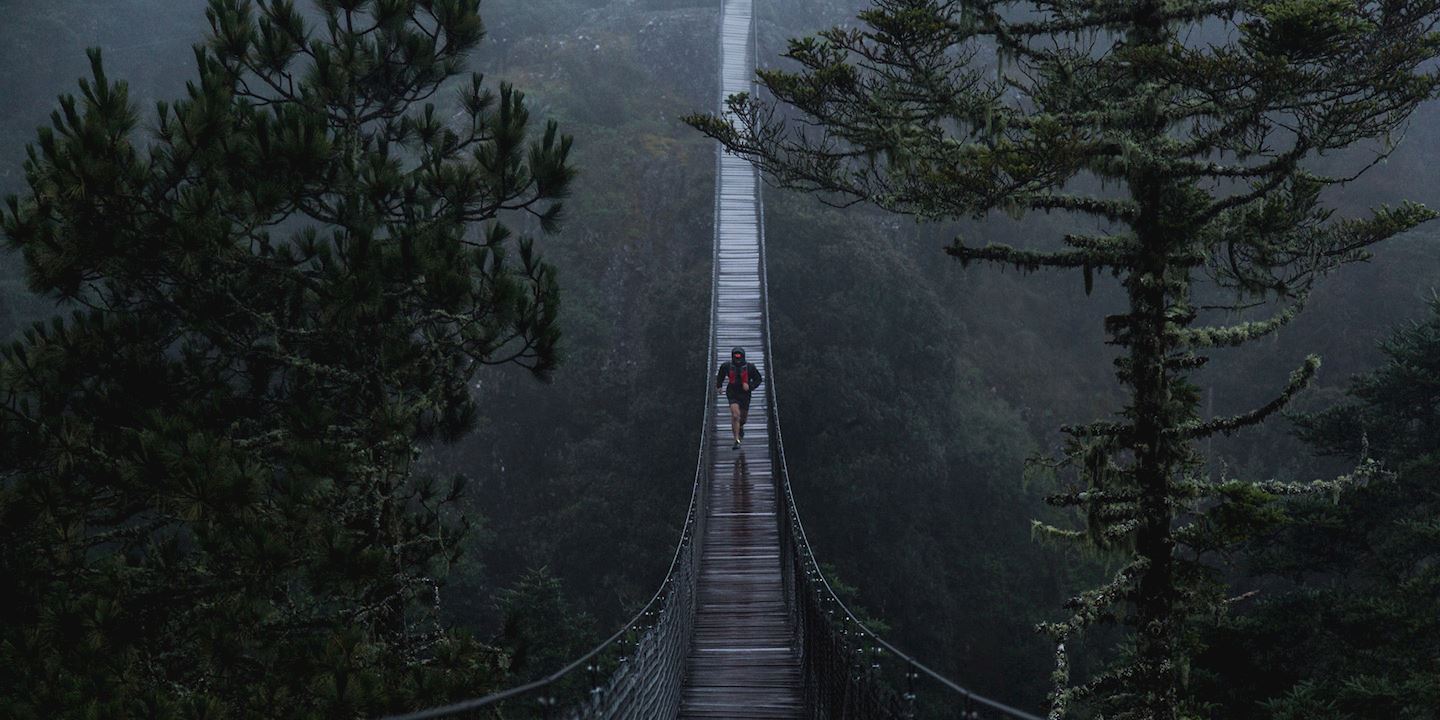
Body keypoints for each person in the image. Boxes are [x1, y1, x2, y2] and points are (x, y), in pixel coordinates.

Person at [715, 347, 763, 450]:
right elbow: (720, 376)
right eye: (735, 357)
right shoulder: (726, 366)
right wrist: (719, 386)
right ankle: (736, 440)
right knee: (735, 415)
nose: (737, 360)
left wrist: (750, 386)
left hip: (745, 394)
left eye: (739, 357)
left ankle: (740, 427)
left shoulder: (750, 367)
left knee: (743, 419)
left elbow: (758, 379)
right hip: (732, 393)